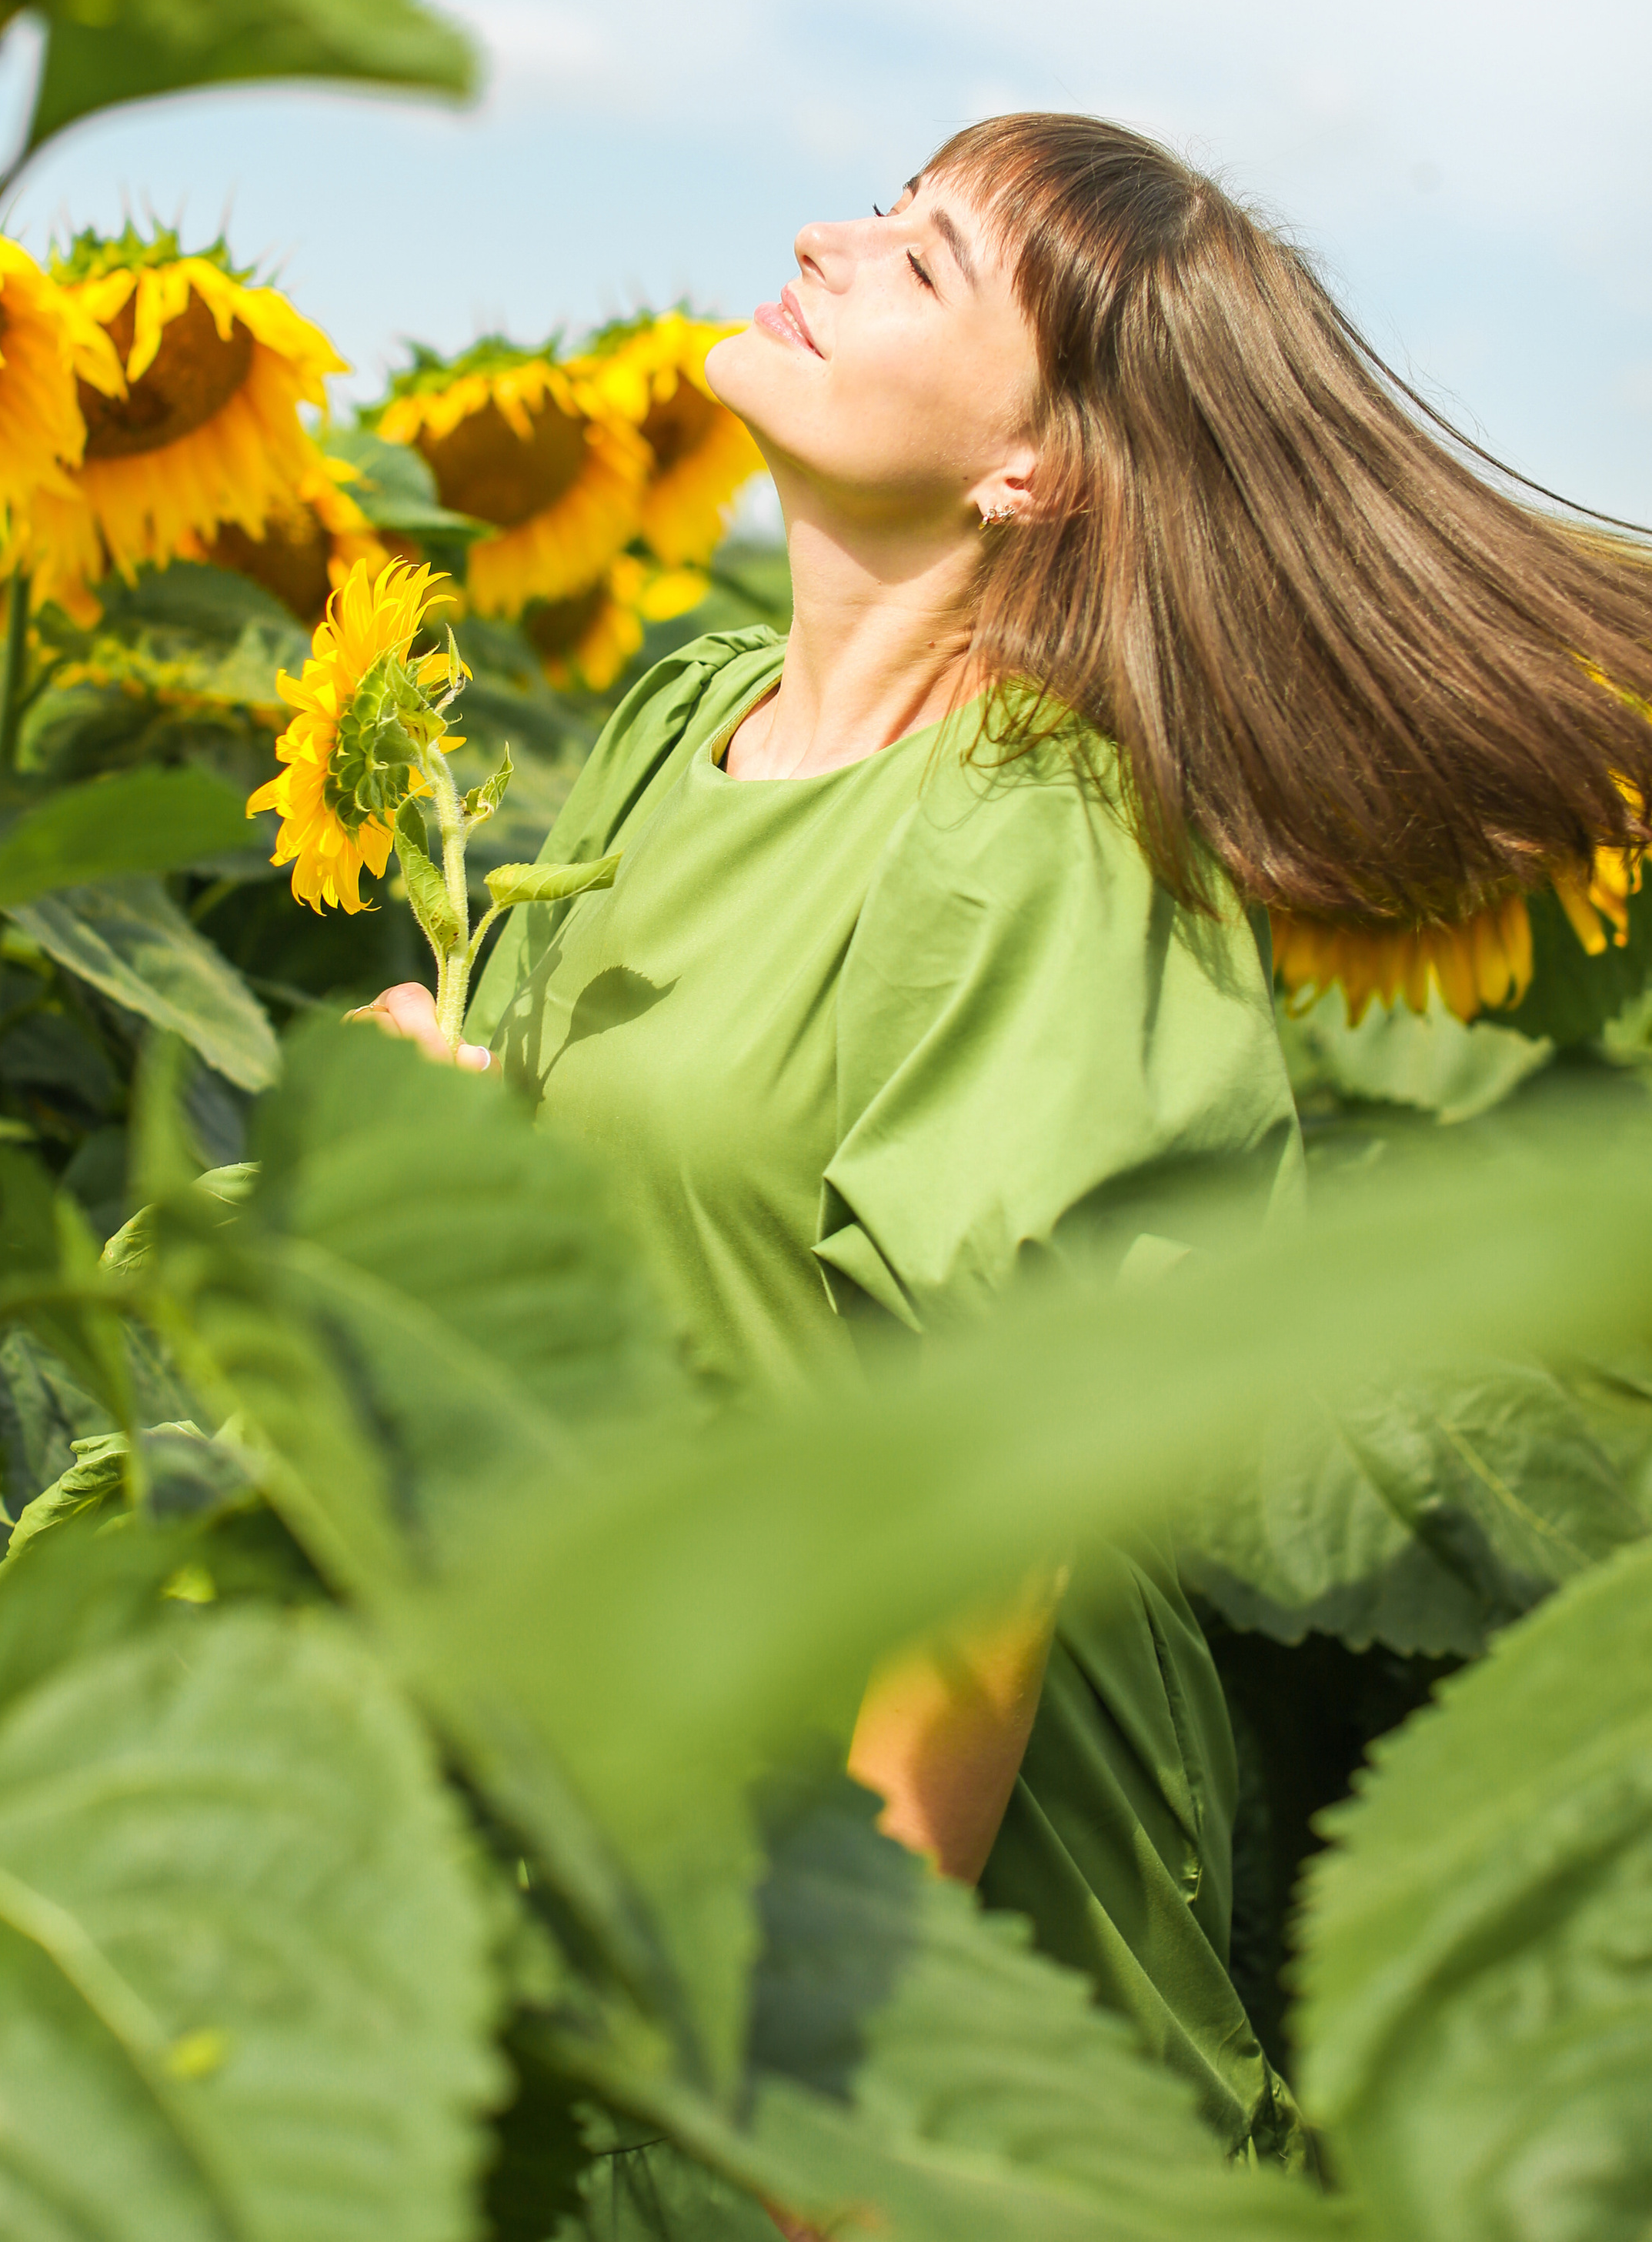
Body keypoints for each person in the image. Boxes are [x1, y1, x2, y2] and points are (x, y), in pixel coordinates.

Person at [364, 112, 1652, 2181]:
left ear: (1034, 467)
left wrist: (837, 2107)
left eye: (928, 259)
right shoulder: (670, 726)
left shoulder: (1034, 830)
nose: (830, 240)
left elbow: (982, 1545)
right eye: (881, 207)